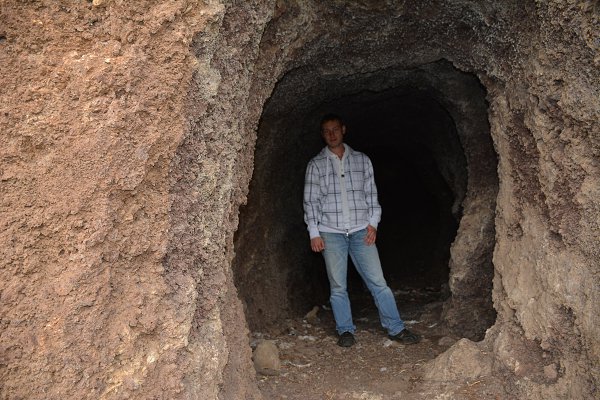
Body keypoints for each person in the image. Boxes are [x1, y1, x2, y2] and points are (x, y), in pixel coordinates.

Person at [303, 114, 421, 347]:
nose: (332, 134)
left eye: (335, 129)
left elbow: (371, 195)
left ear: (343, 130)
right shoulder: (315, 165)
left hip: (361, 230)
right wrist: (314, 232)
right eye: (327, 131)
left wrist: (373, 224)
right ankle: (345, 330)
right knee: (338, 286)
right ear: (322, 135)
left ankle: (396, 328)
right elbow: (310, 201)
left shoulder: (362, 160)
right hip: (330, 232)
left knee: (378, 281)